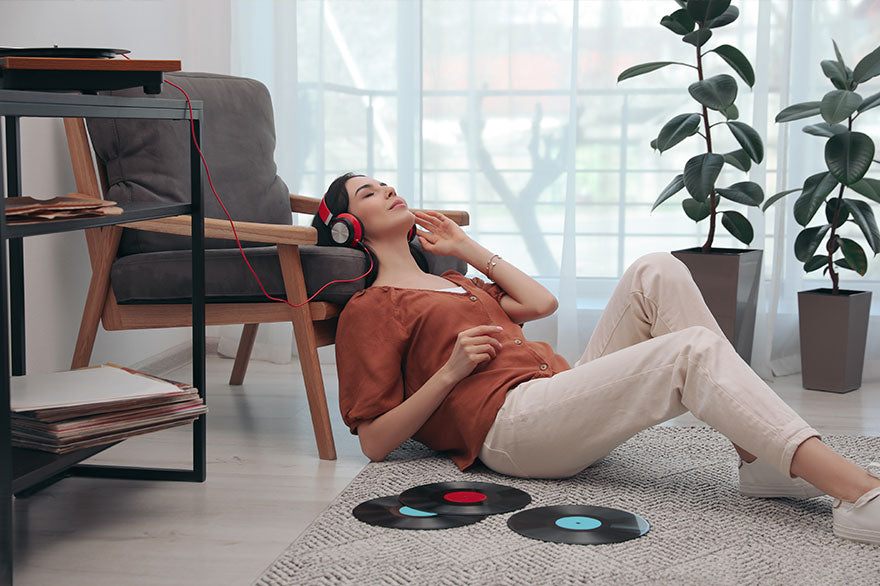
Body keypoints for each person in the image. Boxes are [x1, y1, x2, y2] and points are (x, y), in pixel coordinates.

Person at [313, 172, 880, 544]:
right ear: (348, 228)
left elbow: (541, 302)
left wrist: (467, 249)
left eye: (386, 182)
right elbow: (374, 442)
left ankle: (761, 463)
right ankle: (859, 495)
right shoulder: (372, 307)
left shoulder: (460, 280)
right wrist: (451, 372)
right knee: (692, 352)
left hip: (553, 391)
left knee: (656, 269)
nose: (387, 189)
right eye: (368, 192)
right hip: (509, 429)